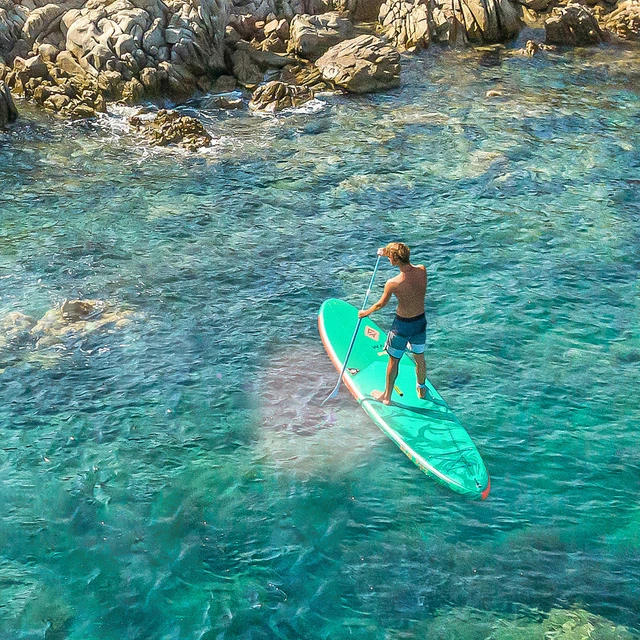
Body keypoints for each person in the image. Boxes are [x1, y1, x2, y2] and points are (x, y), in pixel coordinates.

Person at [358, 242, 427, 405]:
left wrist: (365, 313)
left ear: (395, 259)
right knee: (420, 358)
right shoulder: (422, 270)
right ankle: (421, 389)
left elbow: (380, 304)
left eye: (390, 256)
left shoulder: (393, 283)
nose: (388, 258)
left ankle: (387, 397)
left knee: (393, 361)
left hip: (401, 326)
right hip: (420, 323)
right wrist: (387, 252)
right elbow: (400, 252)